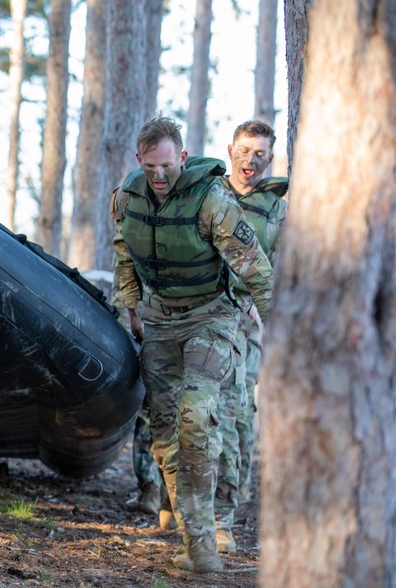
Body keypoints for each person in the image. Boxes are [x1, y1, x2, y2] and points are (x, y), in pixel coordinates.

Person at [112, 116, 273, 573]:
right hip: (160, 320)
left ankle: (206, 542)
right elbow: (125, 253)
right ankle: (197, 542)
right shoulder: (127, 198)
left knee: (196, 414)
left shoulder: (212, 199)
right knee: (164, 435)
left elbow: (256, 269)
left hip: (211, 317)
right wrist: (132, 309)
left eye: (167, 165)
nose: (159, 177)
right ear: (138, 161)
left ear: (182, 157)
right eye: (150, 167)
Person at [214, 120, 288, 543]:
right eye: (244, 150)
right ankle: (195, 508)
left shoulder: (278, 210)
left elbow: (285, 268)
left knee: (239, 413)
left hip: (247, 318)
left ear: (270, 158)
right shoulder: (208, 194)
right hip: (203, 312)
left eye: (260, 153)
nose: (251, 160)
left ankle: (228, 506)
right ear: (230, 150)